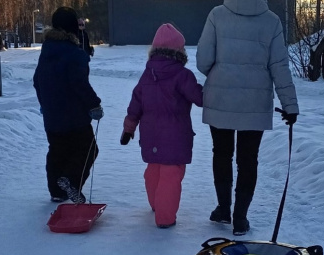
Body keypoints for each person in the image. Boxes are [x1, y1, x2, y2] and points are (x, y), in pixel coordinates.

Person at [196, 0, 299, 236]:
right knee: (248, 159)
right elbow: (279, 65)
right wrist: (290, 105)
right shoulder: (271, 20)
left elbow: (203, 60)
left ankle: (223, 209)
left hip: (221, 97)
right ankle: (240, 219)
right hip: (255, 102)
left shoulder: (217, 15)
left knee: (221, 153)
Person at [121, 23, 203, 228]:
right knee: (171, 175)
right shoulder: (183, 75)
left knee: (154, 170)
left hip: (150, 134)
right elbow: (200, 98)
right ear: (177, 50)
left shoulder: (147, 74)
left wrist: (128, 129)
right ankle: (165, 218)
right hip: (175, 135)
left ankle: (156, 204)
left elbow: (135, 105)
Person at [33, 7, 103, 204]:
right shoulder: (75, 54)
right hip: (74, 116)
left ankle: (57, 191)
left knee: (57, 150)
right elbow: (79, 84)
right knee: (88, 148)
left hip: (52, 116)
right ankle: (71, 182)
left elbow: (37, 80)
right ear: (73, 29)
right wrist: (94, 104)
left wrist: (44, 103)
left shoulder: (46, 51)